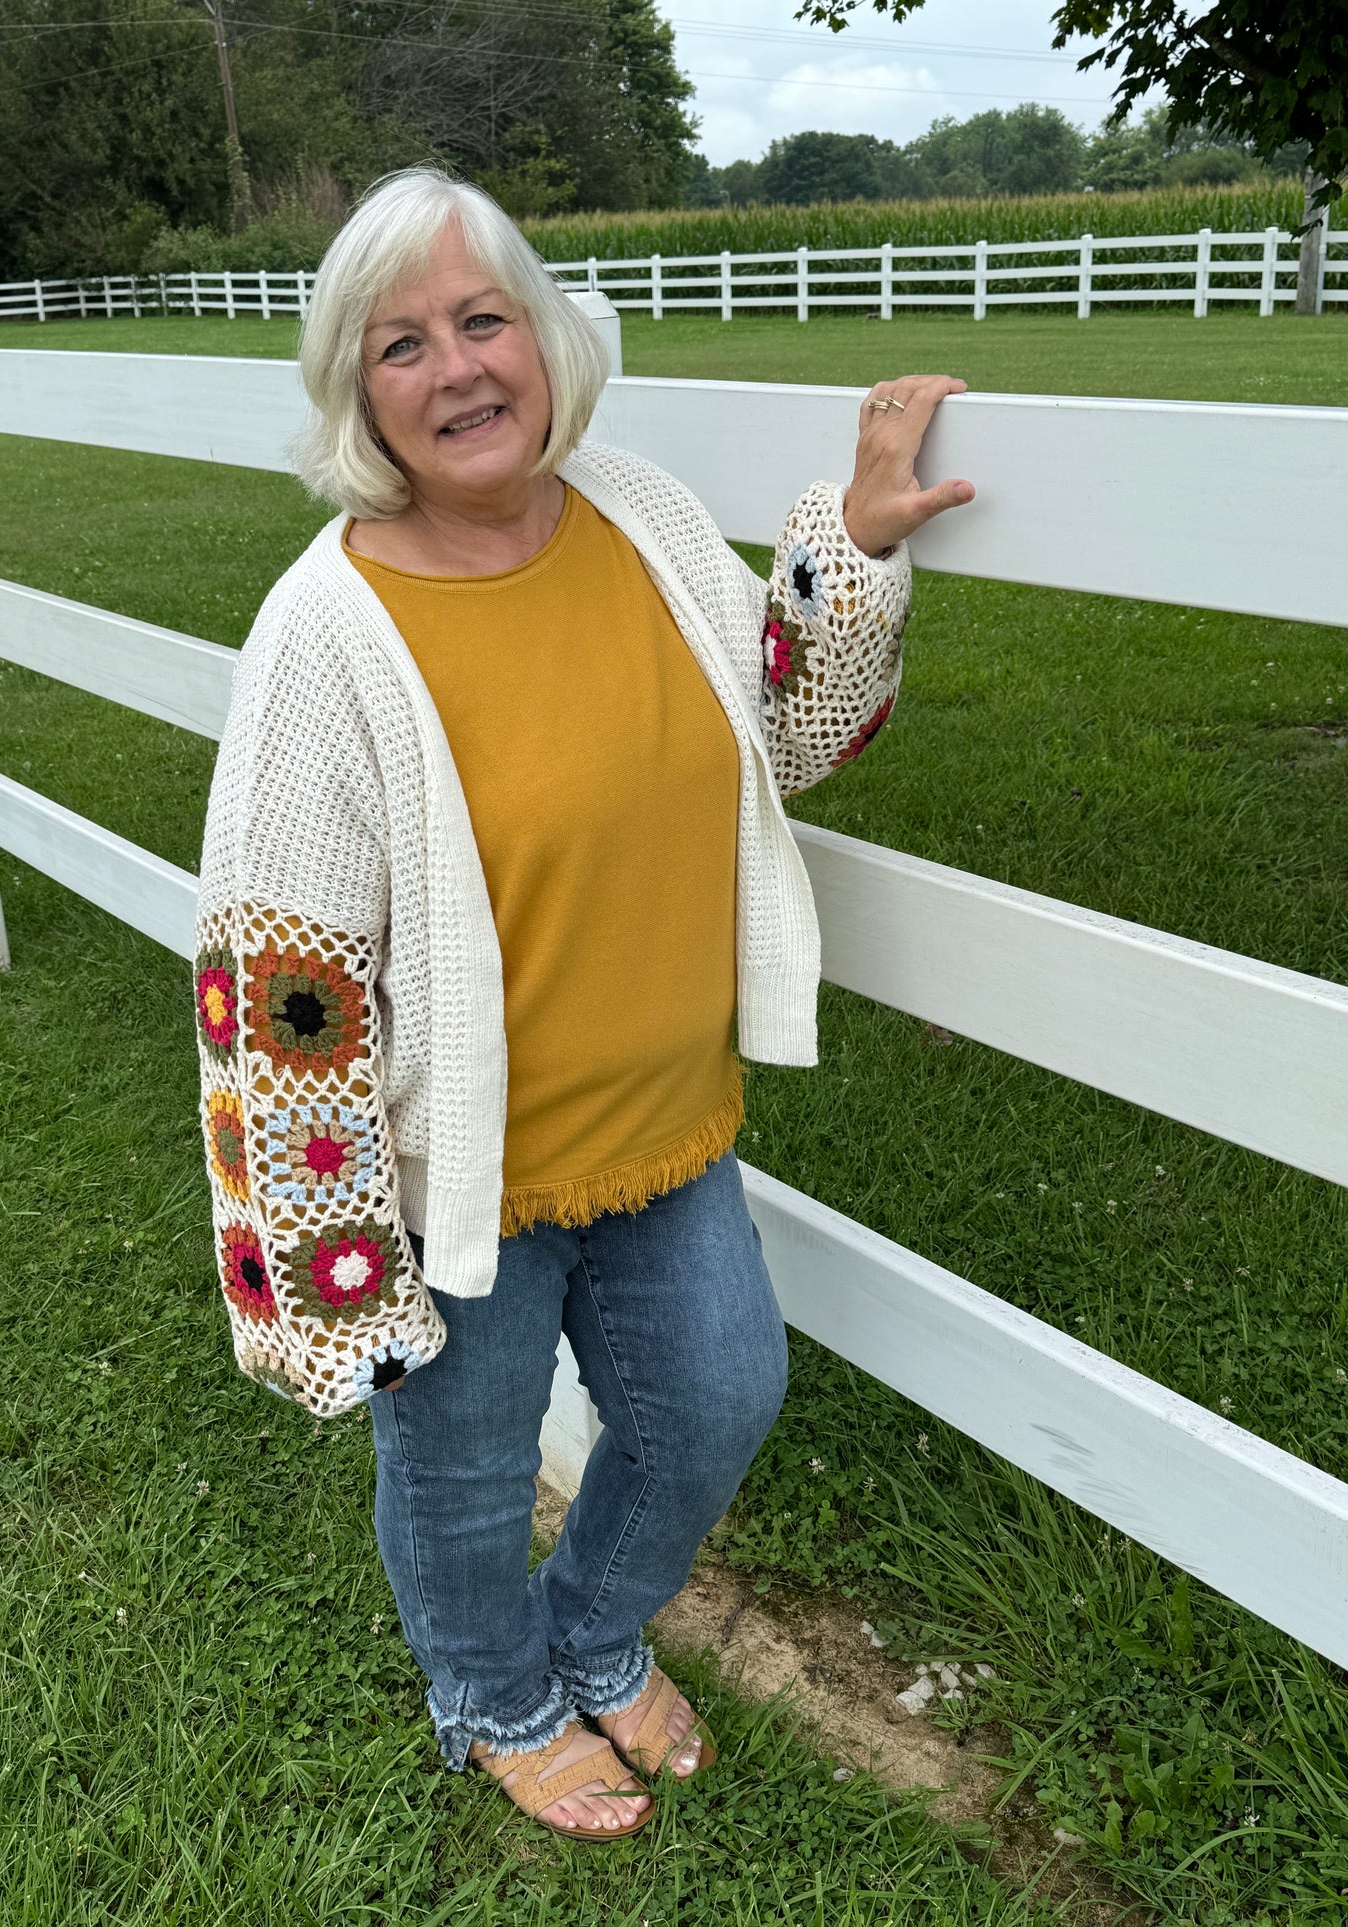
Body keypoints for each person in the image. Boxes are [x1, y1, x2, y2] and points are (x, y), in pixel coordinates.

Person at [192, 165, 973, 1842]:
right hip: (450, 1183)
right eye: (401, 344)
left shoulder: (640, 512)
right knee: (461, 1478)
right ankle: (487, 1689)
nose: (457, 369)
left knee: (714, 1403)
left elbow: (775, 735)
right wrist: (331, 1273)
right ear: (353, 390)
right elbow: (281, 988)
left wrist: (852, 545)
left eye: (485, 320)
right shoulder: (325, 632)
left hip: (664, 1127)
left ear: (547, 338)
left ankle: (591, 1632)